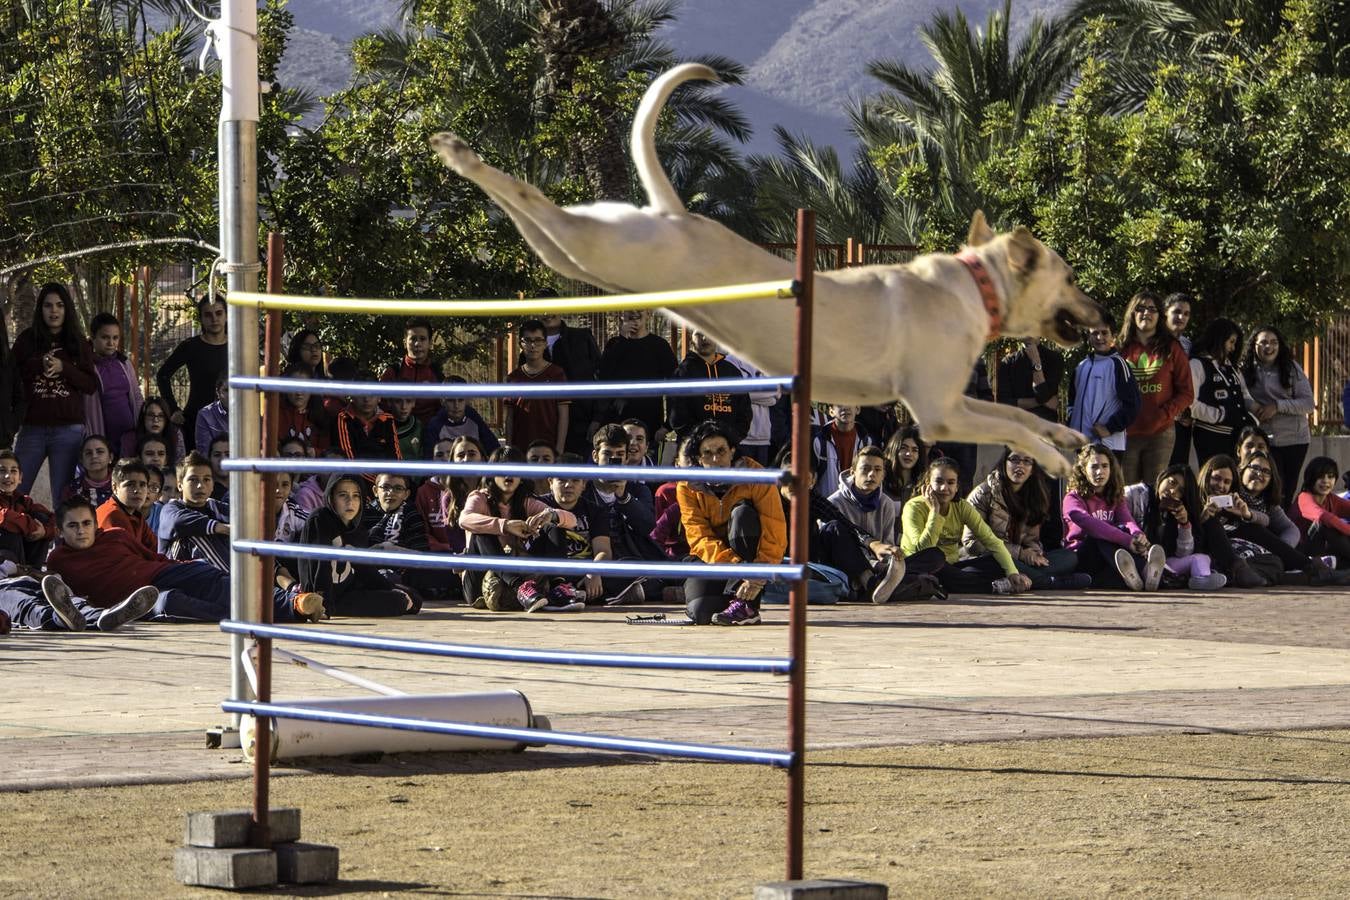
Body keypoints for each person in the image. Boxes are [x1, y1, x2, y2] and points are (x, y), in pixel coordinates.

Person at [46, 497, 317, 623]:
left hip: (159, 573)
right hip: (134, 603)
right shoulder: (58, 560)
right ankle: (263, 614)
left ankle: (294, 603)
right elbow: (64, 596)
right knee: (171, 604)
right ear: (60, 530)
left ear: (95, 524)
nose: (81, 531)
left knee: (214, 580)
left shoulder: (115, 535)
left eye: (86, 523)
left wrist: (185, 567)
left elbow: (152, 556)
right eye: (73, 526)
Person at [677, 420, 787, 624]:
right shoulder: (686, 485)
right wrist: (736, 568)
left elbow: (775, 530)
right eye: (707, 453)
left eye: (721, 451)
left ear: (732, 451)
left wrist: (757, 574)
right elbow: (698, 537)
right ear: (698, 458)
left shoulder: (757, 476)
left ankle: (747, 606)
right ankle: (733, 600)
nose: (715, 459)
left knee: (742, 514)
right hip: (713, 557)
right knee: (700, 612)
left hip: (751, 556)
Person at [458, 446, 578, 612]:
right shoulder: (479, 497)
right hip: (479, 583)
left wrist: (551, 515)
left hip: (522, 576)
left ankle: (558, 587)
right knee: (481, 534)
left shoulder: (525, 502)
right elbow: (464, 519)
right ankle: (520, 587)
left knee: (553, 526)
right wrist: (505, 525)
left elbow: (572, 521)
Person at [10, 282, 98, 499]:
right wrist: (37, 365)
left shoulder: (78, 342)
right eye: (48, 305)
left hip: (68, 430)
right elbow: (11, 375)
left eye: (59, 305)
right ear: (40, 309)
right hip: (32, 427)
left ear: (67, 309)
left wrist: (64, 368)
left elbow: (90, 384)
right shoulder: (27, 340)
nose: (54, 311)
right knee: (14, 492)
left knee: (63, 498)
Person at [900, 457, 1031, 595]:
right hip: (919, 566)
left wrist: (1012, 573)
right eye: (939, 481)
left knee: (995, 563)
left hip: (951, 567)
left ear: (957, 487)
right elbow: (923, 552)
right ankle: (993, 586)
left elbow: (992, 541)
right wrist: (935, 512)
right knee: (935, 556)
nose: (944, 488)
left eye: (951, 483)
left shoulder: (962, 507)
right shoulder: (914, 507)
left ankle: (949, 583)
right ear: (928, 484)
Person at [296, 474, 420, 617]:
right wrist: (324, 606)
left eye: (356, 496)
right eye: (343, 495)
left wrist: (390, 588)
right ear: (331, 497)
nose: (350, 502)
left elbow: (364, 569)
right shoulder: (320, 519)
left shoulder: (358, 528)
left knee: (412, 596)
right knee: (398, 601)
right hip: (326, 597)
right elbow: (320, 569)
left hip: (349, 590)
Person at [964, 448, 1088, 589]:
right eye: (1014, 460)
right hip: (989, 558)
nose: (1020, 466)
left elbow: (1030, 539)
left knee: (1069, 557)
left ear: (1033, 469)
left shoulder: (1034, 495)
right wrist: (1020, 553)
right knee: (998, 561)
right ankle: (1049, 582)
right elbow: (972, 543)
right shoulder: (983, 494)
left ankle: (1025, 579)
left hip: (1021, 562)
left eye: (1027, 461)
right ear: (1004, 463)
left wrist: (1035, 554)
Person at [1061, 443, 1166, 591]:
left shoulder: (1115, 496)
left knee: (1122, 530)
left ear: (1111, 469)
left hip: (1110, 560)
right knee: (1100, 534)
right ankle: (1145, 570)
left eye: (1105, 466)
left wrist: (1138, 535)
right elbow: (1090, 524)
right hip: (1082, 558)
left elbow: (1127, 520)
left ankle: (1142, 576)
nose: (1100, 471)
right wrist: (1127, 540)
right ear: (1083, 470)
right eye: (1094, 467)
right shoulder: (1072, 498)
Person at [1118, 291, 1193, 486]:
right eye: (1141, 308)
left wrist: (1164, 414)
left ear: (1160, 315)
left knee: (1155, 491)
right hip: (1126, 434)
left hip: (1160, 433)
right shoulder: (1120, 349)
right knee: (1127, 492)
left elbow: (1186, 392)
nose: (1146, 313)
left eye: (1152, 309)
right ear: (1132, 313)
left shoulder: (1172, 348)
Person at [826, 446, 910, 602]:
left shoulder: (886, 504)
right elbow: (835, 548)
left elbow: (887, 543)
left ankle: (885, 584)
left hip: (880, 565)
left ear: (883, 475)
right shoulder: (834, 503)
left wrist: (892, 555)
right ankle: (875, 585)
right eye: (865, 469)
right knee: (835, 527)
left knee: (934, 556)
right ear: (853, 472)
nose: (871, 474)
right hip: (848, 569)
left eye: (878, 470)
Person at [1124, 465, 1228, 590]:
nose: (1173, 491)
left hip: (1163, 565)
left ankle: (1201, 579)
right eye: (1172, 482)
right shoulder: (1137, 494)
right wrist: (1134, 538)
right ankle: (1148, 578)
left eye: (1180, 491)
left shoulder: (1177, 511)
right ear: (1162, 477)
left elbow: (1183, 554)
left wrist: (1184, 524)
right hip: (1133, 558)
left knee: (1202, 558)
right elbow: (1118, 517)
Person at [1241, 326, 1314, 497]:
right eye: (1263, 342)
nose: (1269, 347)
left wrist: (1277, 406)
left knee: (1287, 491)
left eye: (1274, 342)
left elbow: (1308, 404)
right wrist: (1253, 406)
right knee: (1269, 490)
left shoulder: (1291, 368)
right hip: (1264, 441)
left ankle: (1283, 515)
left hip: (1295, 439)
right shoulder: (1244, 369)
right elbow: (1239, 396)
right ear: (1254, 345)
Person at [155, 294, 227, 452]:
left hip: (231, 420)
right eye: (208, 315)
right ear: (201, 318)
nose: (214, 319)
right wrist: (173, 409)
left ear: (227, 316)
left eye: (219, 313)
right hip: (196, 420)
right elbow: (163, 375)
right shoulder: (191, 346)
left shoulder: (237, 346)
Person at [594, 310, 678, 439]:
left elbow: (675, 385)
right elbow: (602, 377)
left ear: (648, 314)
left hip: (650, 424)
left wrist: (667, 426)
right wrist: (622, 339)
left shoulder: (660, 345)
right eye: (630, 308)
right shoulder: (614, 344)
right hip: (616, 423)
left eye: (640, 308)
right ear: (622, 315)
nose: (634, 312)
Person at [1192, 454, 1272, 587]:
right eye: (1216, 478)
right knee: (1212, 521)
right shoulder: (1193, 498)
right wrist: (1203, 519)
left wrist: (1245, 514)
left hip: (1231, 554)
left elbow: (1266, 520)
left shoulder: (1231, 504)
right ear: (1206, 476)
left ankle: (1306, 565)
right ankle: (1237, 569)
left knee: (1271, 557)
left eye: (1227, 482)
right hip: (1200, 554)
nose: (1220, 485)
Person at [1067, 315, 1140, 455]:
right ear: (1089, 336)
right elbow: (1071, 402)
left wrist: (1110, 428)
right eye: (1094, 333)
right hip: (1082, 446)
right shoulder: (1081, 366)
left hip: (1108, 445)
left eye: (1104, 333)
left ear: (1113, 336)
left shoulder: (1118, 364)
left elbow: (1133, 404)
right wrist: (1072, 422)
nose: (1099, 337)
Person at [1188, 318, 1256, 466]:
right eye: (1231, 342)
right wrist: (1220, 415)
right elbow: (1190, 404)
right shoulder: (1197, 364)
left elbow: (1244, 395)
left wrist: (1254, 411)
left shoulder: (1232, 368)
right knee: (1214, 476)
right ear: (1219, 339)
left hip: (1237, 437)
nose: (1233, 348)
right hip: (1210, 437)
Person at [0, 569, 157, 633]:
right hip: (3, 590)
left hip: (32, 582)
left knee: (73, 602)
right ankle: (58, 619)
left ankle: (104, 616)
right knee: (26, 605)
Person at [667, 330, 751, 445]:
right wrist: (700, 440)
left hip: (726, 448)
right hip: (693, 447)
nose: (704, 338)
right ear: (691, 338)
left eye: (708, 332)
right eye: (699, 334)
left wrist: (730, 439)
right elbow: (677, 417)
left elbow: (745, 413)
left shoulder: (732, 372)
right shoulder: (682, 373)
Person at [539, 303, 602, 454]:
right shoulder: (531, 344)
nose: (546, 312)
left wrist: (597, 418)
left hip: (582, 424)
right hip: (545, 425)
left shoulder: (582, 337)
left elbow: (600, 376)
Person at [364, 472, 436, 599]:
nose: (391, 493)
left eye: (398, 488)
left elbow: (421, 555)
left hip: (403, 573)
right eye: (385, 487)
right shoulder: (364, 513)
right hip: (367, 571)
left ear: (406, 494)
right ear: (375, 491)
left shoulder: (410, 513)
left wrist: (392, 550)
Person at [505, 319, 570, 456]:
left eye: (538, 340)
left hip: (549, 448)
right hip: (520, 449)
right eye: (528, 340)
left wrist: (559, 450)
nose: (533, 345)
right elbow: (510, 417)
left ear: (545, 344)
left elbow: (563, 414)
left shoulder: (557, 374)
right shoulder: (513, 378)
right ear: (520, 344)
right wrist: (509, 448)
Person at [156, 451, 231, 569]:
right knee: (194, 532)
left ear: (213, 485)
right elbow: (177, 522)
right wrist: (220, 527)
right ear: (180, 485)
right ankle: (230, 576)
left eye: (206, 480)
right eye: (193, 480)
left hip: (210, 575)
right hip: (177, 574)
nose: (200, 486)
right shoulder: (170, 509)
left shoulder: (215, 506)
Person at [84, 312, 143, 456]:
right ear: (93, 337)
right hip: (101, 434)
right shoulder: (87, 366)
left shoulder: (124, 363)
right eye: (105, 337)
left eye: (115, 338)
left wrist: (141, 427)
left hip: (129, 435)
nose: (111, 343)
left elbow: (136, 396)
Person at [332, 374, 403, 473]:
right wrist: (378, 480)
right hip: (355, 477)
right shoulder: (344, 418)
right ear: (352, 396)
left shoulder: (387, 419)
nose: (366, 399)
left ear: (379, 397)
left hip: (386, 477)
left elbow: (396, 456)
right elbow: (349, 461)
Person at [1289, 457, 1350, 568]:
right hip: (1300, 552)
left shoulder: (1330, 498)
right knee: (1324, 525)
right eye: (1320, 476)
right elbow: (1326, 518)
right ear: (1311, 478)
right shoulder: (1304, 498)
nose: (1326, 481)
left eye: (1330, 476)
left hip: (1322, 551)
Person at [379, 318, 441, 424]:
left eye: (422, 339)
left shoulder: (437, 374)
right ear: (405, 343)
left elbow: (443, 410)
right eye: (413, 339)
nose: (417, 344)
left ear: (430, 343)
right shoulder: (393, 372)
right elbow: (380, 407)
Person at [0, 450, 55, 567]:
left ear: (20, 477)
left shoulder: (23, 501)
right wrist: (32, 526)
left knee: (41, 518)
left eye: (13, 471)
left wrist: (44, 531)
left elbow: (54, 518)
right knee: (10, 528)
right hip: (4, 559)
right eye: (2, 471)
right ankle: (20, 571)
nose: (8, 476)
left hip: (21, 556)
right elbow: (5, 517)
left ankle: (33, 570)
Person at [723, 352, 780, 464]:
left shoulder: (764, 362)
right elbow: (733, 393)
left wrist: (746, 392)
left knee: (761, 476)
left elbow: (776, 393)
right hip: (741, 439)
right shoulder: (730, 361)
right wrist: (766, 393)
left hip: (763, 438)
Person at [423, 373, 499, 455]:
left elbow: (494, 448)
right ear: (442, 401)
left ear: (467, 400)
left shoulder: (473, 417)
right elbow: (429, 457)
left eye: (461, 400)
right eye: (451, 400)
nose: (456, 405)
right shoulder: (435, 425)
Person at [811, 404, 875, 499]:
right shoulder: (819, 442)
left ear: (857, 409)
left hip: (856, 504)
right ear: (831, 411)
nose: (845, 407)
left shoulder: (866, 442)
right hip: (826, 504)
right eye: (839, 403)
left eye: (849, 402)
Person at [96, 458, 156, 553]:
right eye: (130, 485)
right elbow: (127, 557)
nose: (137, 490)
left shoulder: (135, 515)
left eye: (142, 485)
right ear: (115, 487)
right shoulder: (113, 515)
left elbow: (155, 548)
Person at [997, 339, 1064, 423]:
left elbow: (1043, 395)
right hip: (1017, 425)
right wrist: (1044, 402)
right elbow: (1005, 403)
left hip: (1044, 425)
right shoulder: (1008, 362)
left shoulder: (1054, 358)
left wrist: (1036, 361)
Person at [1164, 293, 1196, 466]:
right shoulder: (1151, 342)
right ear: (1165, 313)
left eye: (1186, 314)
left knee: (1178, 471)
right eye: (1176, 312)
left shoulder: (1188, 345)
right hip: (1157, 419)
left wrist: (1188, 411)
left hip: (1182, 421)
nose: (1181, 317)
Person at [278, 363, 329, 455]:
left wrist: (315, 452)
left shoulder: (322, 415)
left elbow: (328, 450)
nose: (299, 393)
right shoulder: (276, 414)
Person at [121, 396, 186, 464]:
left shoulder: (175, 435)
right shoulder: (129, 439)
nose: (155, 420)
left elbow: (180, 465)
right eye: (151, 415)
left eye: (161, 416)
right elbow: (123, 466)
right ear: (143, 417)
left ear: (166, 419)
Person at [61, 434, 114, 507]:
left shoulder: (121, 486)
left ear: (110, 457)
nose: (94, 456)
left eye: (100, 452)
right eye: (88, 453)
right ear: (81, 460)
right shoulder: (72, 490)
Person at [881, 426, 927, 511]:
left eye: (914, 450)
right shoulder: (881, 480)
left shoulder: (923, 485)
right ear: (894, 449)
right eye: (904, 448)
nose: (909, 454)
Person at [194, 372, 230, 459]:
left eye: (235, 390)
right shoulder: (205, 415)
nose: (231, 395)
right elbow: (204, 454)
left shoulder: (251, 413)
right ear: (217, 392)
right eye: (226, 390)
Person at [386, 395, 423, 462]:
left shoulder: (418, 426)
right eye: (398, 401)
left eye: (408, 401)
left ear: (414, 402)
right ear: (389, 402)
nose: (404, 407)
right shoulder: (381, 426)